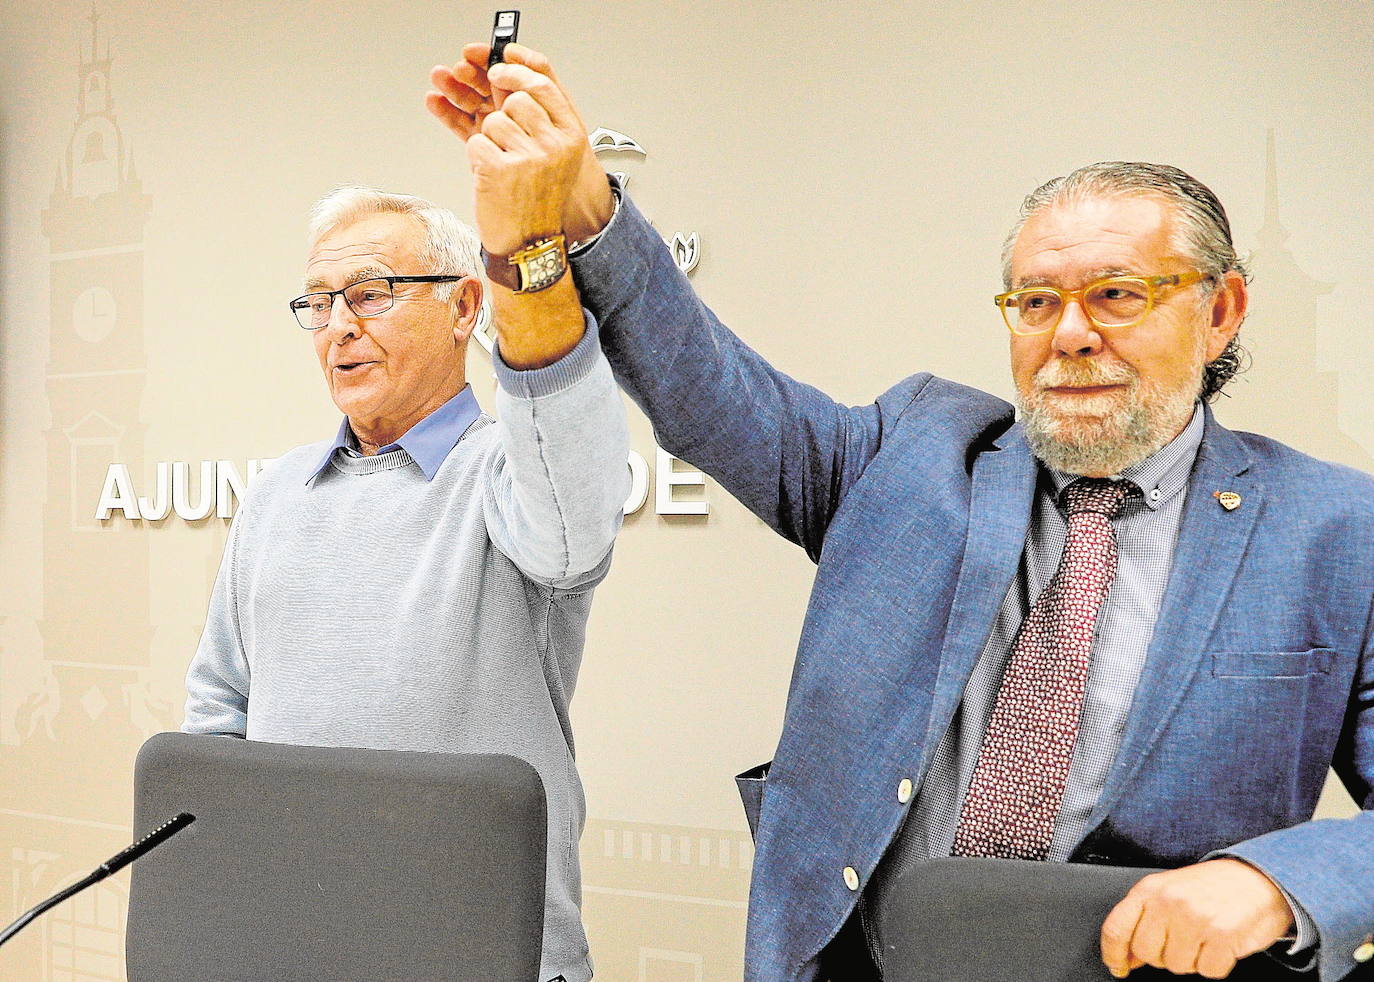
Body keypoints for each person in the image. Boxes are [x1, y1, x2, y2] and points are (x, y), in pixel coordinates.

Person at [182, 186, 630, 982]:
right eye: (319, 305)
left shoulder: (512, 478)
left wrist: (529, 264)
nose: (339, 328)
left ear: (464, 309)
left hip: (485, 956)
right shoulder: (276, 495)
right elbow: (219, 717)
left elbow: (571, 520)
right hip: (294, 955)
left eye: (370, 294)